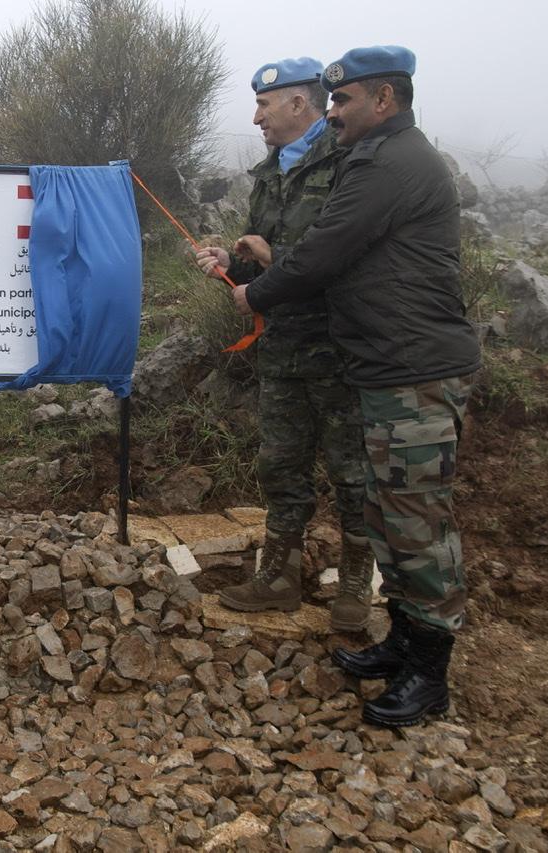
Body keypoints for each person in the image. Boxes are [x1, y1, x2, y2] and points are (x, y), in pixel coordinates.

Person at [233, 46, 481, 727]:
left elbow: (325, 250)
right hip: (385, 365)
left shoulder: (388, 163)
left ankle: (429, 674)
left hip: (414, 367)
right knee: (390, 511)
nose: (332, 111)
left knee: (417, 524)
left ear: (384, 99)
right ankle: (401, 641)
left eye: (342, 100)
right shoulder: (378, 157)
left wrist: (258, 292)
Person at [196, 58, 373, 632]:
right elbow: (262, 254)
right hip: (284, 346)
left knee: (353, 469)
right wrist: (232, 262)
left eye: (263, 106)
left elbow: (347, 255)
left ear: (299, 104)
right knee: (280, 465)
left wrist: (274, 262)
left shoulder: (349, 161)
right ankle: (278, 578)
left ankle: (356, 585)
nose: (255, 119)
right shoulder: (270, 172)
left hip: (341, 346)